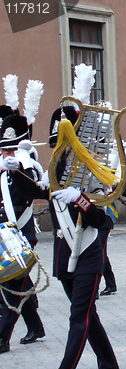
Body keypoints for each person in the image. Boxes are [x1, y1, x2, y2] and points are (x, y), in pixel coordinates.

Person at [10, 105, 120, 369]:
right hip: (64, 255)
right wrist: (13, 171)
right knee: (88, 318)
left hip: (87, 253)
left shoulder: (92, 168)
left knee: (79, 318)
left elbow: (103, 220)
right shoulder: (55, 170)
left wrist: (80, 200)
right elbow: (37, 192)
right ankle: (110, 368)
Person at [0, 112, 45, 354]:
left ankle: (2, 337)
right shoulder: (1, 167)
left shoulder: (29, 165)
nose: (7, 154)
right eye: (4, 150)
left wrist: (20, 166)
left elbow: (35, 188)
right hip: (4, 233)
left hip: (22, 232)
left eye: (11, 149)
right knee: (18, 281)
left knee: (12, 283)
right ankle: (36, 327)